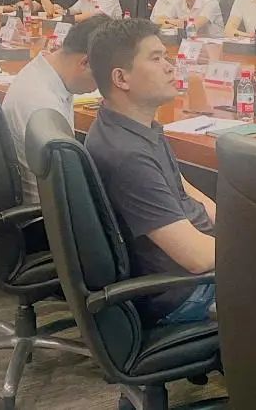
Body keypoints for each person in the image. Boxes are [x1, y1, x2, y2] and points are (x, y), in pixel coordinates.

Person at [85, 19, 216, 325]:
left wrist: (234, 224)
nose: (170, 67)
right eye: (156, 59)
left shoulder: (134, 126)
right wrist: (255, 243)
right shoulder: (128, 156)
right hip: (184, 292)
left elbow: (182, 187)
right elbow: (196, 258)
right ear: (121, 78)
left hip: (190, 267)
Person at [2, 16, 106, 203]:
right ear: (85, 63)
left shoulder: (45, 72)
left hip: (53, 200)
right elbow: (66, 194)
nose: (101, 88)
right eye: (103, 78)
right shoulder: (42, 104)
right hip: (47, 210)